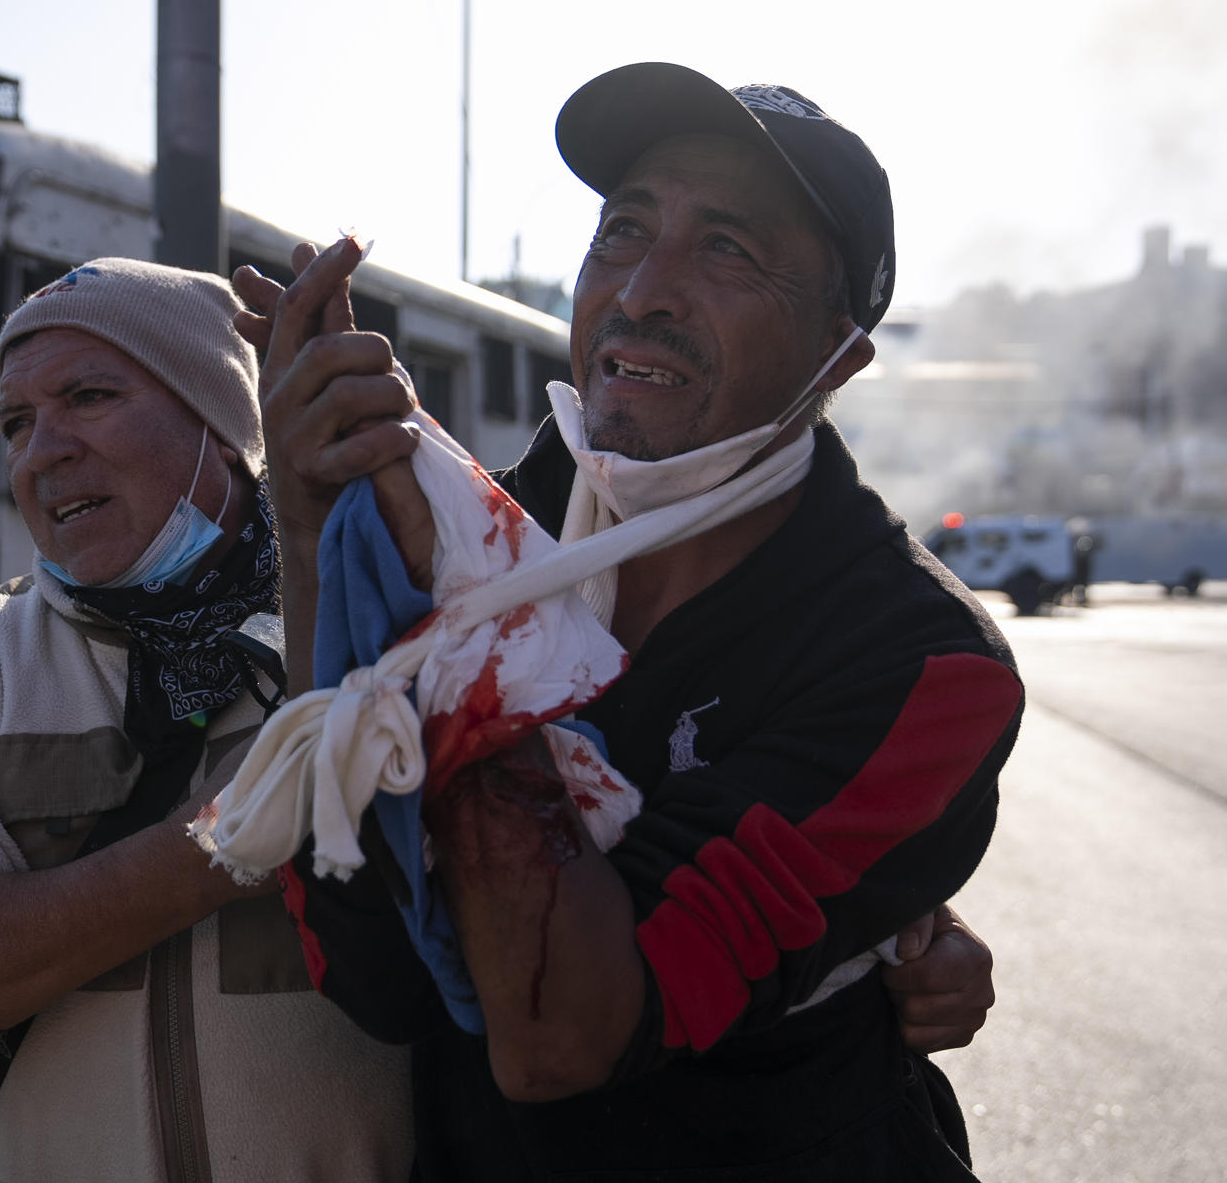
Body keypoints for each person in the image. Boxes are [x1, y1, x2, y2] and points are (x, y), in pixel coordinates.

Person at [240, 62, 1020, 1180]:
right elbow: (376, 978)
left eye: (727, 249)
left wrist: (463, 625)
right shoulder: (490, 526)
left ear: (839, 353)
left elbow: (564, 1033)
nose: (641, 290)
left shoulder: (920, 660)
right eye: (622, 230)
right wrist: (312, 530)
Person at [0, 258, 415, 1182]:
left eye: (88, 395)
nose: (43, 452)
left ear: (223, 426)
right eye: (16, 422)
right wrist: (226, 839)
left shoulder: (383, 624)